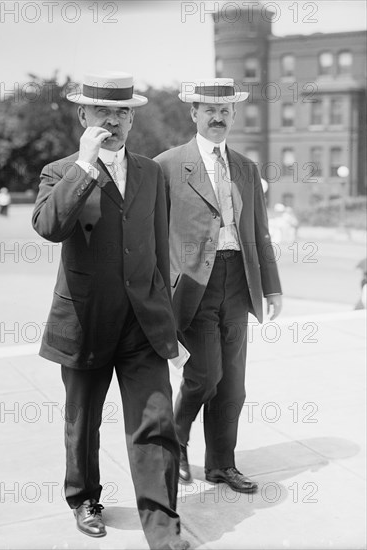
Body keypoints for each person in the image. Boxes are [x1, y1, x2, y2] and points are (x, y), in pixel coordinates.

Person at [32, 71, 189, 550]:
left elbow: (159, 252)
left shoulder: (150, 172)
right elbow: (48, 226)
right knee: (83, 421)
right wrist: (84, 164)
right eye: (103, 111)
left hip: (142, 322)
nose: (114, 120)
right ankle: (83, 498)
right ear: (83, 115)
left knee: (156, 421)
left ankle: (163, 530)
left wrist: (169, 323)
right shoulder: (61, 172)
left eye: (123, 111)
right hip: (83, 320)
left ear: (132, 118)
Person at [154, 78, 282, 492]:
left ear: (233, 114)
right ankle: (174, 439)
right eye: (209, 109)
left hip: (238, 281)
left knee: (232, 385)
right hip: (193, 285)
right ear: (193, 113)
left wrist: (272, 287)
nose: (217, 117)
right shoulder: (168, 165)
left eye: (225, 110)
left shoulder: (246, 167)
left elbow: (259, 232)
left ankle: (221, 465)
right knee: (204, 376)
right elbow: (153, 234)